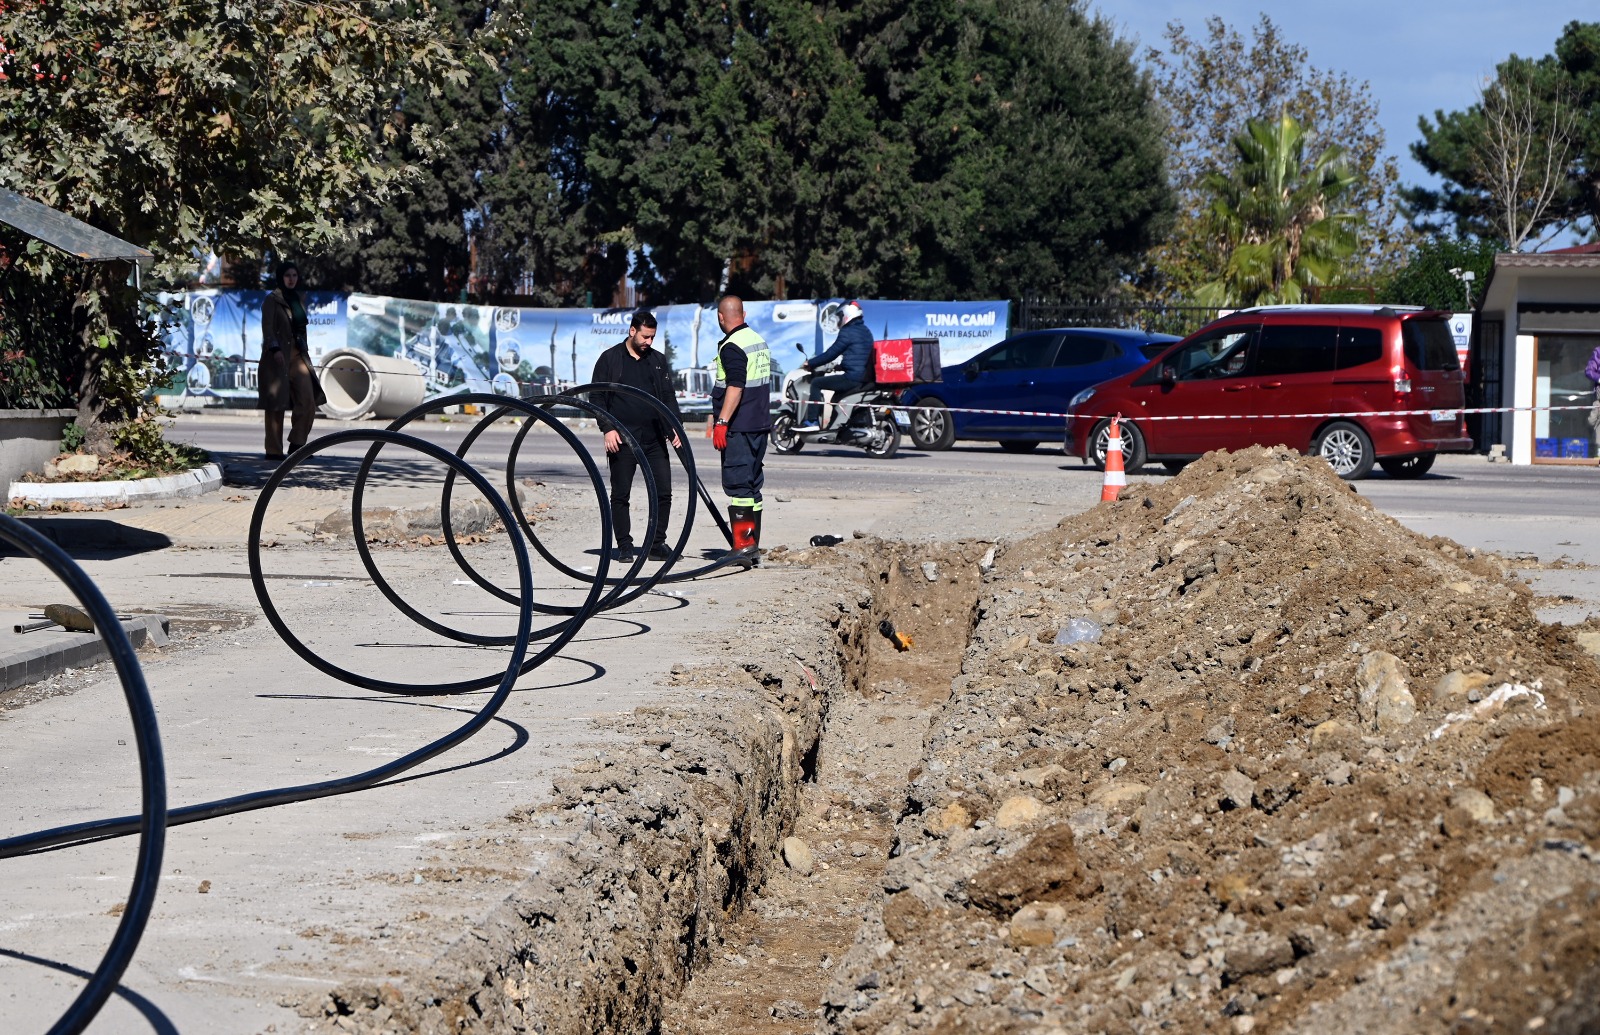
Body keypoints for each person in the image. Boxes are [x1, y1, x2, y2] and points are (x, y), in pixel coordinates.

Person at [592, 310, 682, 562]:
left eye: (652, 337)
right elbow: (596, 397)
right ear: (632, 331)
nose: (649, 342)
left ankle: (656, 543)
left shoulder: (657, 360)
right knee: (621, 494)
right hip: (622, 438)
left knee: (663, 492)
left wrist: (675, 427)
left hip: (654, 438)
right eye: (645, 336)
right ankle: (624, 545)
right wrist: (607, 428)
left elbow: (667, 396)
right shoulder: (610, 359)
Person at [710, 295, 771, 564]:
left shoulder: (732, 346)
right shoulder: (757, 340)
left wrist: (722, 422)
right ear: (743, 315)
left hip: (740, 426)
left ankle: (744, 546)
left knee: (738, 487)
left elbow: (735, 386)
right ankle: (752, 545)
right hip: (759, 424)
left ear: (721, 317)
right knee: (753, 486)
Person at [258, 263, 323, 459]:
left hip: (297, 355)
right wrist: (275, 348)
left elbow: (300, 328)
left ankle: (297, 444)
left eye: (295, 275)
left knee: (308, 399)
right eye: (287, 275)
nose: (291, 279)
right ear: (281, 277)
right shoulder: (271, 300)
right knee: (275, 405)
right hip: (276, 357)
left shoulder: (298, 299)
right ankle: (273, 450)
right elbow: (268, 329)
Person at [795, 300, 873, 431]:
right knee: (836, 396)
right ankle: (836, 428)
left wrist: (810, 363)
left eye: (840, 316)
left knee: (816, 383)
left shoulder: (847, 332)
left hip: (853, 377)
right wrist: (840, 367)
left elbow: (831, 353)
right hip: (864, 377)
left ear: (847, 314)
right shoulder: (866, 331)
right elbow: (858, 355)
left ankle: (812, 421)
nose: (839, 320)